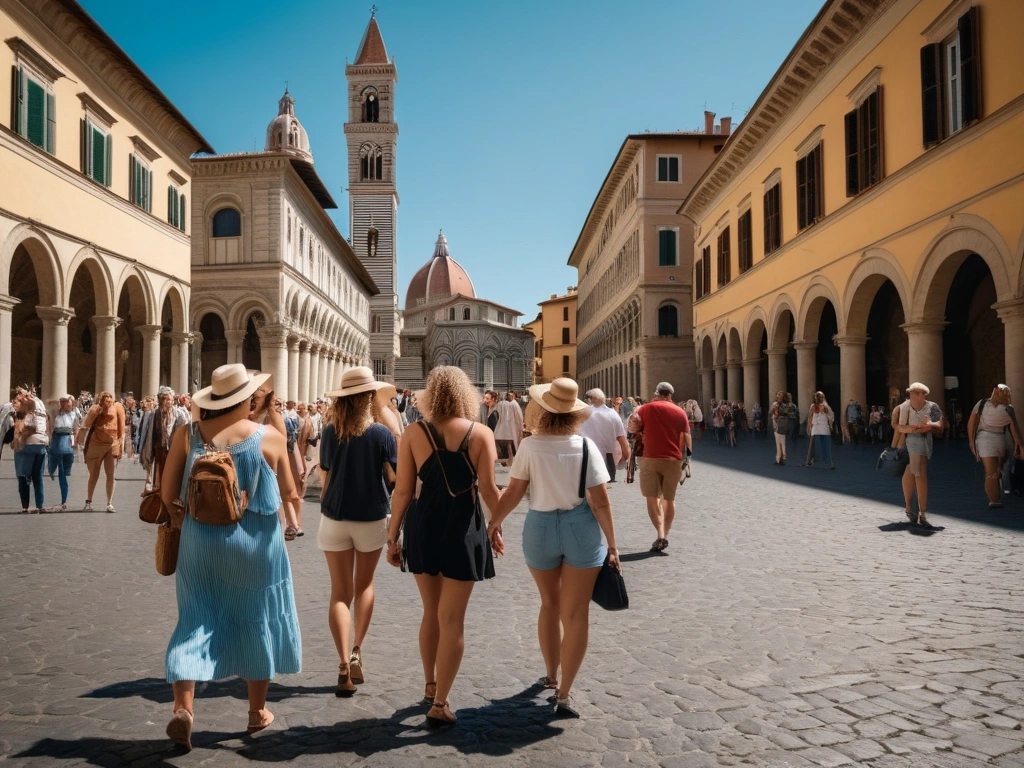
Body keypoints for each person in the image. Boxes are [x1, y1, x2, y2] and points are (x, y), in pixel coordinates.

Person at [160, 365, 301, 750]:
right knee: (257, 618)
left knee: (194, 619)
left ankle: (183, 709)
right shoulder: (268, 436)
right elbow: (290, 490)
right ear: (246, 399)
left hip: (199, 543)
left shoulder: (186, 435)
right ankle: (256, 713)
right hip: (257, 546)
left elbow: (167, 493)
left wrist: (185, 522)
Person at [488, 378, 618, 719]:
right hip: (581, 528)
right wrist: (614, 545)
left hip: (540, 528)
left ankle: (550, 673)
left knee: (549, 603)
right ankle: (564, 694)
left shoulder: (531, 447)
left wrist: (493, 523)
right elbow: (601, 501)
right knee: (576, 614)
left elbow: (514, 492)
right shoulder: (586, 446)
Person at [386, 366, 502, 728]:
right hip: (463, 528)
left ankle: (429, 684)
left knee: (430, 612)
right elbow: (488, 489)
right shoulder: (481, 433)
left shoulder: (412, 433)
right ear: (466, 394)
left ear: (429, 396)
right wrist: (497, 526)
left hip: (422, 526)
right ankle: (440, 702)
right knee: (452, 619)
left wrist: (392, 536)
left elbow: (402, 491)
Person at [318, 367, 398, 697]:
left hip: (335, 516)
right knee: (364, 585)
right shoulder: (381, 435)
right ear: (368, 399)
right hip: (371, 516)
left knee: (340, 592)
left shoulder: (329, 432)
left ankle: (340, 664)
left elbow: (324, 479)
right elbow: (394, 479)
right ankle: (356, 651)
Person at [628, 382, 691, 553]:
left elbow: (632, 427)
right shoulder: (680, 412)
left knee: (652, 497)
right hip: (673, 458)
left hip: (649, 456)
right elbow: (686, 437)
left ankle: (660, 534)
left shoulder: (644, 409)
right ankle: (666, 534)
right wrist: (688, 457)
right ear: (670, 395)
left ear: (657, 393)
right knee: (669, 499)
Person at [896, 382, 944, 528]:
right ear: (910, 394)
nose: (920, 395)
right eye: (916, 393)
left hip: (925, 443)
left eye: (922, 393)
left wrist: (929, 424)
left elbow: (940, 425)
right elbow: (899, 427)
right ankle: (921, 512)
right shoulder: (904, 407)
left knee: (911, 475)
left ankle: (910, 508)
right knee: (919, 475)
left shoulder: (932, 406)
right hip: (910, 443)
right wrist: (915, 429)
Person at [967, 384, 1023, 509]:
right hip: (985, 438)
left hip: (1001, 437)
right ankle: (994, 500)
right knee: (991, 471)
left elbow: (1014, 426)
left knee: (998, 469)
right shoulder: (982, 403)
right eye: (997, 391)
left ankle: (998, 489)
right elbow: (972, 422)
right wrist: (971, 441)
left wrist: (1019, 444)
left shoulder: (1009, 408)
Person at [81, 391, 125, 512]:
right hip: (97, 443)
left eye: (110, 397)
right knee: (94, 474)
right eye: (106, 398)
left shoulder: (118, 407)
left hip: (111, 444)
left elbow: (121, 427)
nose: (108, 400)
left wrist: (121, 445)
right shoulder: (96, 408)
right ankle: (89, 501)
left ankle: (109, 502)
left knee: (110, 474)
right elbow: (87, 424)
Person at [579, 388, 630, 482]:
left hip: (588, 454)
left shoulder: (584, 413)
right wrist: (626, 452)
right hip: (607, 457)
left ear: (593, 399)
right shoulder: (612, 414)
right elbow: (621, 436)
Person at [139, 388, 190, 479]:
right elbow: (150, 433)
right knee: (161, 476)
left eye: (169, 399)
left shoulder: (178, 414)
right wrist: (148, 453)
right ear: (160, 401)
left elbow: (185, 430)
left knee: (173, 476)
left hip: (173, 450)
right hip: (160, 450)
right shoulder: (155, 414)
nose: (167, 402)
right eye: (164, 399)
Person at [14, 390, 48, 513]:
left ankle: (25, 506)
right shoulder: (41, 404)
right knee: (38, 476)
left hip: (26, 444)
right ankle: (40, 506)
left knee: (23, 476)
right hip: (42, 443)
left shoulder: (25, 406)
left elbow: (23, 425)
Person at [48, 395, 81, 510]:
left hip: (66, 440)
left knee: (63, 471)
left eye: (69, 403)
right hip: (57, 439)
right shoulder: (55, 414)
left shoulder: (74, 415)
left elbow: (76, 429)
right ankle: (52, 469)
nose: (67, 404)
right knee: (58, 468)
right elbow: (50, 425)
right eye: (65, 403)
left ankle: (64, 499)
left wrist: (75, 443)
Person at [282, 400, 308, 539]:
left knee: (294, 495)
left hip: (292, 455)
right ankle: (292, 525)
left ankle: (295, 524)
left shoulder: (293, 422)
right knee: (287, 496)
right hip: (284, 458)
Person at [805, 391, 835, 470]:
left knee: (825, 445)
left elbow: (829, 417)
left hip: (823, 427)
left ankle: (830, 463)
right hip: (816, 427)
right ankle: (809, 461)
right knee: (812, 445)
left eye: (822, 397)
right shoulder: (814, 406)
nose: (821, 399)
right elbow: (810, 417)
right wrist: (809, 427)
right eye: (820, 397)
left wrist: (830, 425)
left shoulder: (825, 407)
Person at [494, 391, 524, 467]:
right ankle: (510, 460)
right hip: (511, 427)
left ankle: (509, 460)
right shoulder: (513, 404)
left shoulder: (502, 404)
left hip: (504, 428)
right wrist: (521, 425)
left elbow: (497, 412)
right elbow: (519, 416)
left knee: (509, 445)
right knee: (511, 445)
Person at [772, 392, 798, 465]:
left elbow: (776, 414)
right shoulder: (790, 405)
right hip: (786, 423)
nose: (778, 396)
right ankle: (781, 457)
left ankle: (780, 457)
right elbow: (794, 414)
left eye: (779, 395)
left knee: (779, 442)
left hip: (779, 423)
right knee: (782, 441)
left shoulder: (777, 405)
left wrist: (776, 411)